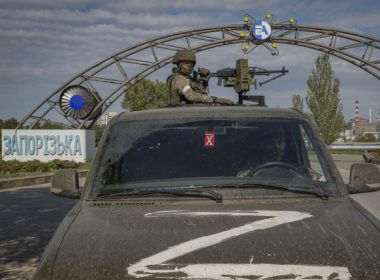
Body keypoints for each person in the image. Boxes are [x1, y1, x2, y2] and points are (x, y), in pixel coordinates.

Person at [167, 49, 234, 106]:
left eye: (192, 64)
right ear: (179, 64)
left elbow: (200, 94)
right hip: (182, 113)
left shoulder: (187, 79)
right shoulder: (179, 79)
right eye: (187, 63)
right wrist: (216, 99)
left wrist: (203, 81)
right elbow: (191, 96)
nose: (190, 66)